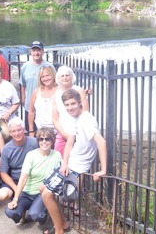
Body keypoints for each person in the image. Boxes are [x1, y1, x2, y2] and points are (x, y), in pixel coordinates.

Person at [41, 89, 107, 234]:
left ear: (80, 103)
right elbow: (70, 141)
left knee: (47, 194)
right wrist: (64, 163)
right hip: (69, 163)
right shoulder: (75, 118)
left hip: (77, 167)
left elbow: (101, 142)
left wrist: (103, 169)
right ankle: (63, 223)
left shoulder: (86, 119)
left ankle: (59, 231)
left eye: (73, 104)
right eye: (67, 105)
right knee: (42, 189)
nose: (70, 107)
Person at [6, 127, 61, 226]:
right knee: (10, 212)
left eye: (47, 139)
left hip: (41, 193)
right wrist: (15, 198)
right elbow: (23, 178)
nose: (44, 142)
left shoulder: (57, 156)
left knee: (35, 214)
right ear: (38, 141)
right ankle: (22, 214)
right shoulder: (31, 155)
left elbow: (59, 176)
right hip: (27, 192)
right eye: (41, 139)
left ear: (52, 140)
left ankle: (45, 219)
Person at [0, 118, 38, 202]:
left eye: (19, 130)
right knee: (2, 195)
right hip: (15, 180)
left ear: (24, 130)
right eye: (13, 131)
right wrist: (16, 189)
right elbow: (3, 173)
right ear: (10, 133)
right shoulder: (6, 149)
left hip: (32, 179)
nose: (17, 133)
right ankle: (15, 197)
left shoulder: (35, 143)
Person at [52, 66, 89, 155]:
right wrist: (65, 134)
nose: (65, 78)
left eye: (67, 75)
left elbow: (85, 112)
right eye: (62, 76)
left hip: (79, 134)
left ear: (72, 77)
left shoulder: (79, 90)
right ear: (58, 78)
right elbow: (55, 119)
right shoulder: (56, 94)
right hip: (63, 133)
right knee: (60, 160)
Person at [20, 41, 54, 133]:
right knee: (31, 132)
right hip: (29, 106)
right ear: (31, 52)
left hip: (44, 106)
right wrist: (23, 98)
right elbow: (22, 84)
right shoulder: (25, 66)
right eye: (34, 50)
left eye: (38, 50)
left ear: (43, 51)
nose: (36, 53)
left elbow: (56, 84)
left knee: (45, 136)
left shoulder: (49, 66)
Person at [28, 66, 58, 136]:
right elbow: (31, 111)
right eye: (42, 77)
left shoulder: (60, 90)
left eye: (47, 75)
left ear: (53, 76)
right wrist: (31, 131)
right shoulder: (36, 92)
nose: (45, 78)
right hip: (40, 131)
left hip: (57, 131)